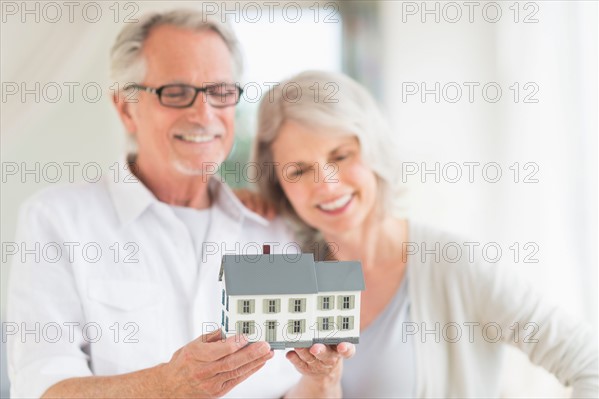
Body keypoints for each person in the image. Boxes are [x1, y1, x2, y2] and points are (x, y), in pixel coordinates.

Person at [6, 11, 353, 398]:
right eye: (175, 92)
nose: (203, 114)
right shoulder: (57, 220)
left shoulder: (278, 226)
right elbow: (41, 388)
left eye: (220, 92)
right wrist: (167, 385)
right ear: (125, 108)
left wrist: (323, 378)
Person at [241, 70, 599, 397]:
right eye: (299, 171)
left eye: (341, 156)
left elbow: (590, 362)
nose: (327, 184)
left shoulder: (455, 264)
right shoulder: (290, 273)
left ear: (373, 150)